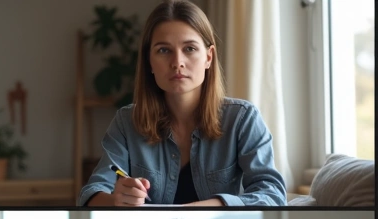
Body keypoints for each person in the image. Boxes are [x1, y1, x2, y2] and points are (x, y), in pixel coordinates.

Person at [78, 0, 285, 207]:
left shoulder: (242, 119)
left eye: (189, 48)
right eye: (163, 50)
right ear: (149, 61)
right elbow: (91, 193)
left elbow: (272, 194)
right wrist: (116, 199)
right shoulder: (127, 122)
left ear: (208, 57)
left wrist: (205, 207)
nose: (177, 62)